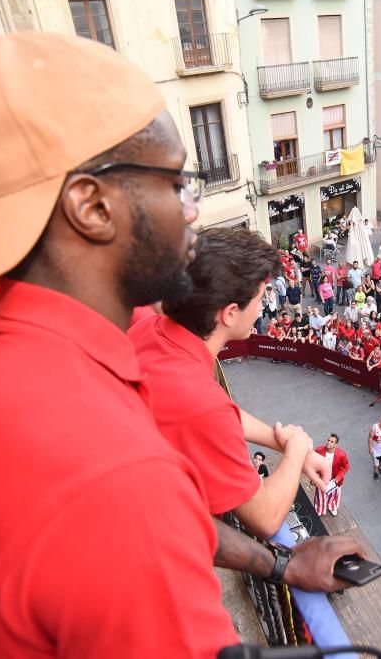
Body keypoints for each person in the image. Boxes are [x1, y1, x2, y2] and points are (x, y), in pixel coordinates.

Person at [0, 33, 363, 658]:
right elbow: (144, 521)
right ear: (91, 208)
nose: (194, 213)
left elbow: (179, 526)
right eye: (177, 183)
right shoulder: (114, 476)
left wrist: (279, 568)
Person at [130, 227, 331, 539]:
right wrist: (296, 449)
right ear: (230, 313)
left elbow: (219, 416)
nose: (262, 308)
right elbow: (265, 517)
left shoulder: (148, 327)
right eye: (259, 299)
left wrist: (283, 443)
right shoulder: (202, 402)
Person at [314, 434, 350, 517]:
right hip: (322, 479)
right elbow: (313, 463)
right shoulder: (319, 450)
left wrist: (337, 478)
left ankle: (332, 507)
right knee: (320, 496)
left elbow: (346, 467)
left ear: (335, 444)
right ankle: (319, 510)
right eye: (328, 440)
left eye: (331, 441)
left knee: (334, 495)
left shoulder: (341, 455)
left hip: (335, 481)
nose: (328, 442)